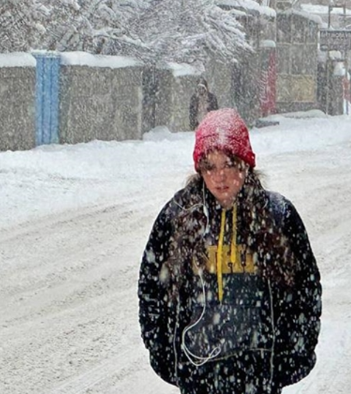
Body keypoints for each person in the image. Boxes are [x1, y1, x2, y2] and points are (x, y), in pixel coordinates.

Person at [138, 108, 322, 394]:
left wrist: (295, 353)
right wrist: (163, 353)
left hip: (258, 374)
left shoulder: (277, 216)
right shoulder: (178, 217)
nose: (220, 176)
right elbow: (152, 287)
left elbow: (305, 289)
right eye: (209, 166)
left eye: (229, 163)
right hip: (198, 374)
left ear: (246, 164)